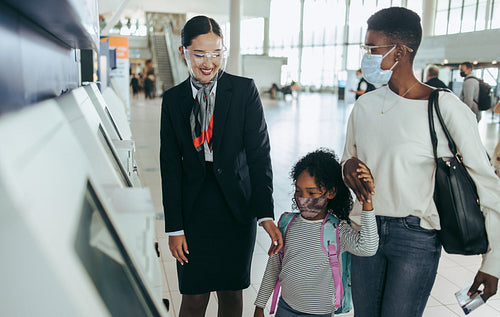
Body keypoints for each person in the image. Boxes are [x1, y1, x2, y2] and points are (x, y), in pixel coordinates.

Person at [342, 7, 500, 317]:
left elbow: (488, 185)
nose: (367, 57)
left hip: (414, 237)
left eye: (372, 48)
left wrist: (494, 262)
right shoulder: (365, 106)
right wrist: (347, 168)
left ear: (399, 51)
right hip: (365, 231)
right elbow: (349, 157)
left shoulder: (445, 108)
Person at [160, 15, 283, 317]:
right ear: (183, 52)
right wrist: (174, 227)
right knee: (193, 297)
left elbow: (258, 156)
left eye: (216, 53)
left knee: (231, 294)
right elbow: (170, 166)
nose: (208, 62)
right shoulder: (174, 100)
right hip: (193, 212)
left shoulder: (243, 91)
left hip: (236, 211)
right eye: (199, 54)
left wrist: (265, 212)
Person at [254, 149, 378, 317]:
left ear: (331, 192)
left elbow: (368, 247)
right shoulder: (286, 224)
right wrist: (260, 305)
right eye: (299, 191)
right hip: (286, 308)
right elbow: (274, 267)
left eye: (311, 193)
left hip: (320, 313)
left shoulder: (337, 230)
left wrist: (367, 203)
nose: (303, 199)